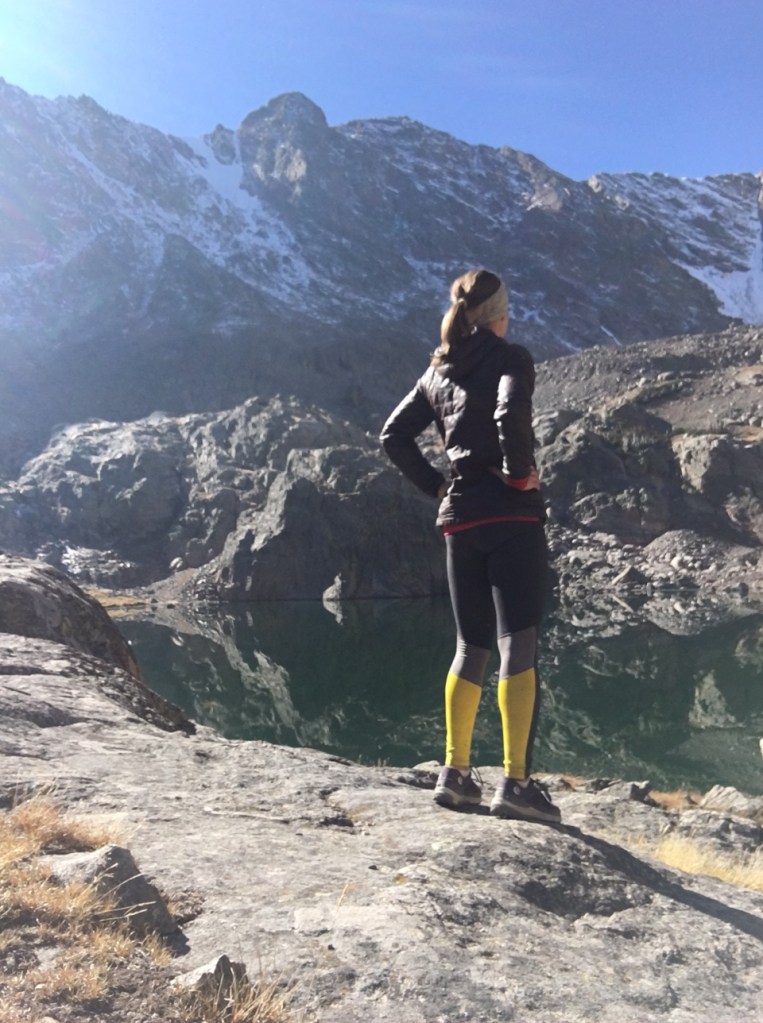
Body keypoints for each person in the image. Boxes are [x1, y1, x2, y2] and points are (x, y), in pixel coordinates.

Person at [380, 268, 560, 824]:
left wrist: (438, 486)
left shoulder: (438, 371)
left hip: (459, 520)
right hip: (511, 516)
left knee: (469, 645)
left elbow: (393, 435)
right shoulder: (511, 358)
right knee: (518, 644)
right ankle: (517, 784)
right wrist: (519, 474)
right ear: (499, 315)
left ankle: (455, 774)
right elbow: (509, 411)